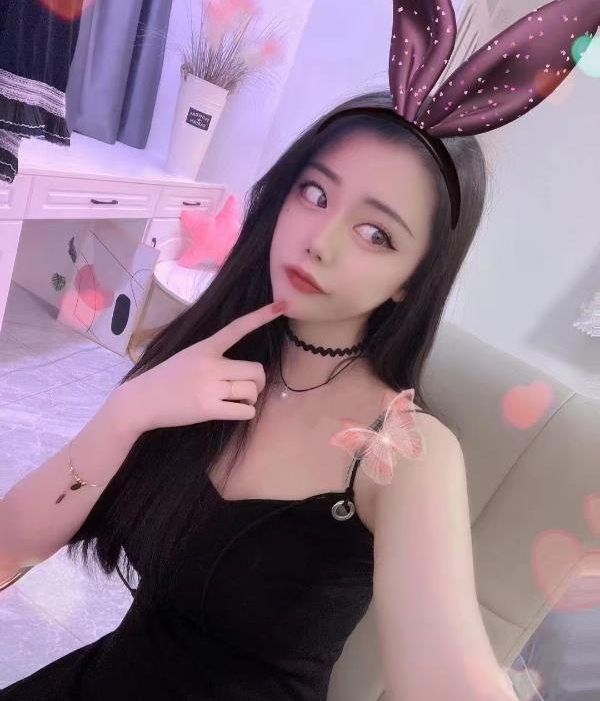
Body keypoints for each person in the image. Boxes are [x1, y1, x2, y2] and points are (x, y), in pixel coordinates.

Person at [0, 88, 516, 700]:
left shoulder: (402, 449)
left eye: (375, 233)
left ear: (413, 280)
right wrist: (124, 416)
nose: (320, 240)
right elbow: (10, 548)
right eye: (316, 194)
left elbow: (447, 674)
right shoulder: (208, 358)